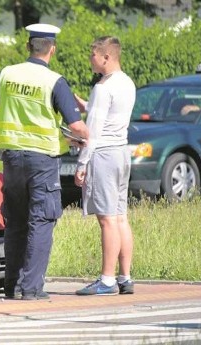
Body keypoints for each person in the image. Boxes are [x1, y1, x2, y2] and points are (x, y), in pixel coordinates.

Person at [0, 23, 88, 300]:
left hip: (11, 160)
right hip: (41, 161)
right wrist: (93, 137)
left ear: (29, 46)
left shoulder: (7, 74)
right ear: (52, 49)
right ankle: (31, 289)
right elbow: (76, 125)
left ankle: (12, 287)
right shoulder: (54, 81)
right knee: (41, 221)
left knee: (15, 221)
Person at [73, 36, 136, 296]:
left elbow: (94, 132)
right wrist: (87, 106)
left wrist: (81, 163)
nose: (91, 60)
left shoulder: (102, 87)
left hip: (105, 156)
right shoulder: (126, 82)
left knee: (106, 220)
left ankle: (106, 280)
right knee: (120, 217)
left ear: (106, 57)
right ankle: (125, 277)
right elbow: (111, 114)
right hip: (122, 152)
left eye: (94, 55)